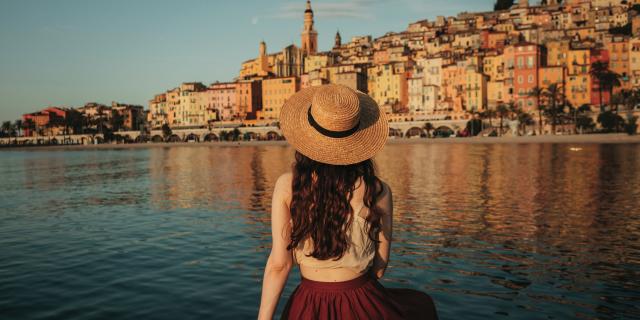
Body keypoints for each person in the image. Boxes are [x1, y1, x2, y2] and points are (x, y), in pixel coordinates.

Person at [257, 84, 439, 320]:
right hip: (364, 304)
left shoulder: (287, 186)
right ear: (358, 139)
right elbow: (380, 268)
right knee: (421, 305)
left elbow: (279, 265)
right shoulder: (379, 191)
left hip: (309, 305)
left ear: (307, 137)